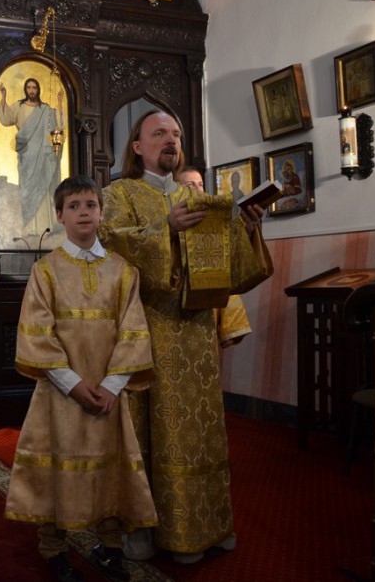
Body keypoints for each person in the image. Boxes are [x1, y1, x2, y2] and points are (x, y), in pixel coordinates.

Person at [98, 110, 270, 564]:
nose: (171, 140)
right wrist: (165, 230)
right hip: (145, 330)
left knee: (200, 431)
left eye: (175, 134)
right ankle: (142, 529)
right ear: (138, 147)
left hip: (195, 333)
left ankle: (206, 525)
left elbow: (229, 268)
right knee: (146, 431)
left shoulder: (198, 197)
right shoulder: (118, 194)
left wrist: (246, 228)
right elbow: (108, 247)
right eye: (159, 134)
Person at [6, 175, 155, 582]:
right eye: (73, 206)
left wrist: (111, 386)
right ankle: (53, 548)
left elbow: (133, 331)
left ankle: (111, 547)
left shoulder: (123, 271)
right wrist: (71, 383)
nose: (83, 212)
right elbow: (37, 333)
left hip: (109, 392)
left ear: (102, 213)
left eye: (90, 205)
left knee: (112, 469)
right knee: (56, 468)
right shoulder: (45, 271)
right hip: (60, 394)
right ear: (59, 215)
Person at [178, 166, 252, 348]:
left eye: (200, 184)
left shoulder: (213, 220)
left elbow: (223, 264)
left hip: (207, 302)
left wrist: (248, 226)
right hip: (177, 304)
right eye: (190, 185)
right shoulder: (172, 221)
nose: (198, 189)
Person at [0, 77, 65, 237]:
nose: (31, 91)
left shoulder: (45, 109)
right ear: (25, 90)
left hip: (41, 157)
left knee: (41, 188)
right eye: (29, 87)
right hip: (26, 156)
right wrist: (3, 97)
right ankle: (28, 227)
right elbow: (6, 119)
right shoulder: (19, 107)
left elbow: (59, 124)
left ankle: (44, 227)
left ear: (38, 90)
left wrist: (59, 101)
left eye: (34, 88)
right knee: (27, 190)